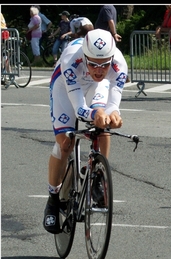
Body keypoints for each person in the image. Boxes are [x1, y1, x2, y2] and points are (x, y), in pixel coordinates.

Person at [43, 29, 128, 234]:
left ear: (111, 59)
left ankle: (98, 176)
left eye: (104, 64)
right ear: (85, 56)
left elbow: (113, 103)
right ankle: (53, 199)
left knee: (104, 122)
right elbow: (79, 108)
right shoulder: (71, 60)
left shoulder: (119, 65)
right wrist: (96, 114)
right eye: (94, 64)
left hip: (95, 87)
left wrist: (112, 115)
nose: (99, 69)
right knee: (65, 143)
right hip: (66, 85)